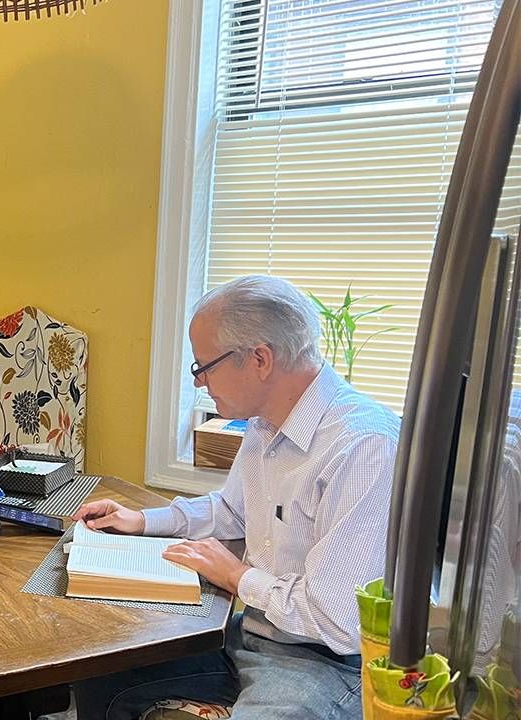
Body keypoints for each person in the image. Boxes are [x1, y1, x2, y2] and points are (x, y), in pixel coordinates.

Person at [73, 275, 400, 719]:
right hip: (256, 634)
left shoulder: (362, 447)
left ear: (260, 359)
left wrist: (237, 577)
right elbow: (231, 512)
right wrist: (142, 520)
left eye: (204, 366)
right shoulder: (266, 421)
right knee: (102, 670)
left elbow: (337, 623)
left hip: (331, 662)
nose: (200, 382)